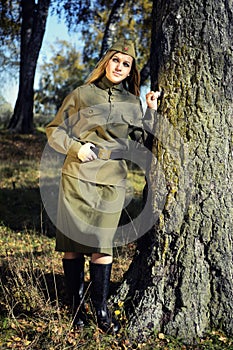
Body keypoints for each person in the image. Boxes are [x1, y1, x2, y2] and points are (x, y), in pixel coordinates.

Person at [45, 38, 161, 334]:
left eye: (127, 64)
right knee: (73, 245)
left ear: (131, 70)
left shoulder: (130, 101)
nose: (120, 67)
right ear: (106, 62)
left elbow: (140, 140)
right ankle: (74, 306)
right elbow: (54, 129)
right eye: (116, 60)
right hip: (77, 176)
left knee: (102, 244)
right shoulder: (82, 93)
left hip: (113, 179)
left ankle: (100, 308)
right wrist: (75, 148)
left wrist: (149, 111)